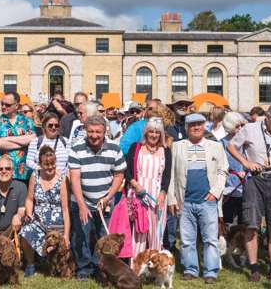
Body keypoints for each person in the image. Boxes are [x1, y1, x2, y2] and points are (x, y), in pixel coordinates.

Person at [226, 104, 271, 282]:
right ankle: (254, 267)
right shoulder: (249, 129)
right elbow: (231, 146)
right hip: (254, 180)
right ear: (267, 117)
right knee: (251, 225)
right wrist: (246, 162)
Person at [167, 113, 228, 283]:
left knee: (210, 239)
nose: (196, 127)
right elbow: (170, 174)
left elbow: (223, 171)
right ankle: (190, 269)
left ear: (204, 126)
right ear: (186, 128)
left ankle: (211, 272)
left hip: (208, 201)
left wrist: (215, 192)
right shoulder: (177, 146)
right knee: (186, 240)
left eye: (199, 124)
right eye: (192, 125)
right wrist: (171, 198)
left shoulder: (215, 146)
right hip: (184, 201)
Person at [68, 114, 126, 280]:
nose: (94, 135)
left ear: (105, 131)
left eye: (98, 132)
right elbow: (75, 178)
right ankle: (83, 269)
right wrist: (81, 205)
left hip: (105, 202)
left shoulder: (114, 148)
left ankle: (99, 268)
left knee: (103, 238)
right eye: (91, 131)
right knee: (81, 237)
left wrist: (108, 197)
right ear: (86, 130)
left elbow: (119, 175)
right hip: (82, 200)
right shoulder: (77, 148)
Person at [20, 145, 71, 277]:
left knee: (59, 242)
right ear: (40, 164)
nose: (50, 167)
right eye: (46, 164)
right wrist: (29, 213)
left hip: (57, 225)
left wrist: (66, 234)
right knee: (25, 231)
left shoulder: (62, 179)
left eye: (52, 163)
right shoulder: (35, 176)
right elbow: (30, 199)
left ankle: (57, 267)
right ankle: (31, 264)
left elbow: (65, 209)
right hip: (39, 222)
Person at [126, 117, 172, 259]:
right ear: (146, 133)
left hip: (157, 195)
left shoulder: (166, 151)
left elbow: (167, 175)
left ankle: (155, 265)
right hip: (138, 193)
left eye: (157, 132)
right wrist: (135, 185)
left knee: (156, 233)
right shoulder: (136, 148)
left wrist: (163, 193)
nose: (154, 135)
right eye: (151, 131)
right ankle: (136, 264)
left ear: (161, 134)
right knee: (139, 231)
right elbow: (126, 170)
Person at [0, 92, 36, 182]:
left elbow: (32, 139)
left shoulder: (27, 122)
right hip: (1, 172)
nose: (3, 107)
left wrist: (6, 139)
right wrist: (23, 143)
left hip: (22, 173)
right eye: (2, 104)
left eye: (7, 105)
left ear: (16, 105)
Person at [0, 156, 27, 234]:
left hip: (14, 231)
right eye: (0, 169)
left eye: (7, 168)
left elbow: (22, 210)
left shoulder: (21, 187)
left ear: (12, 171)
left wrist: (18, 216)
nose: (4, 171)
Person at [220, 112, 248, 225]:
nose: (240, 128)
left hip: (245, 185)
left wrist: (245, 171)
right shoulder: (221, 143)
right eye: (237, 126)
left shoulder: (246, 141)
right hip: (228, 185)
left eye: (242, 125)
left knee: (244, 219)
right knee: (227, 219)